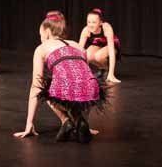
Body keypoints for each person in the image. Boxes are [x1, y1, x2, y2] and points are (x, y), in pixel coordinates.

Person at [14, 11, 107, 143]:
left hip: (67, 88)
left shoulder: (41, 48)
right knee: (82, 86)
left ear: (46, 31)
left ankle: (66, 120)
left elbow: (36, 85)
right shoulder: (77, 45)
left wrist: (29, 123)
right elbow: (84, 76)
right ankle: (81, 122)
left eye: (40, 34)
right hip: (91, 89)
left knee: (45, 87)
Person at [78, 8, 121, 84]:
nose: (91, 25)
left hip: (111, 47)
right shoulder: (86, 30)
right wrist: (81, 73)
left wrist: (111, 75)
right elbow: (79, 51)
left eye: (94, 22)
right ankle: (103, 69)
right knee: (87, 54)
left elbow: (111, 51)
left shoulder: (106, 28)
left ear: (100, 22)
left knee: (98, 56)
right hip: (97, 46)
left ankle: (108, 71)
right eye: (89, 22)